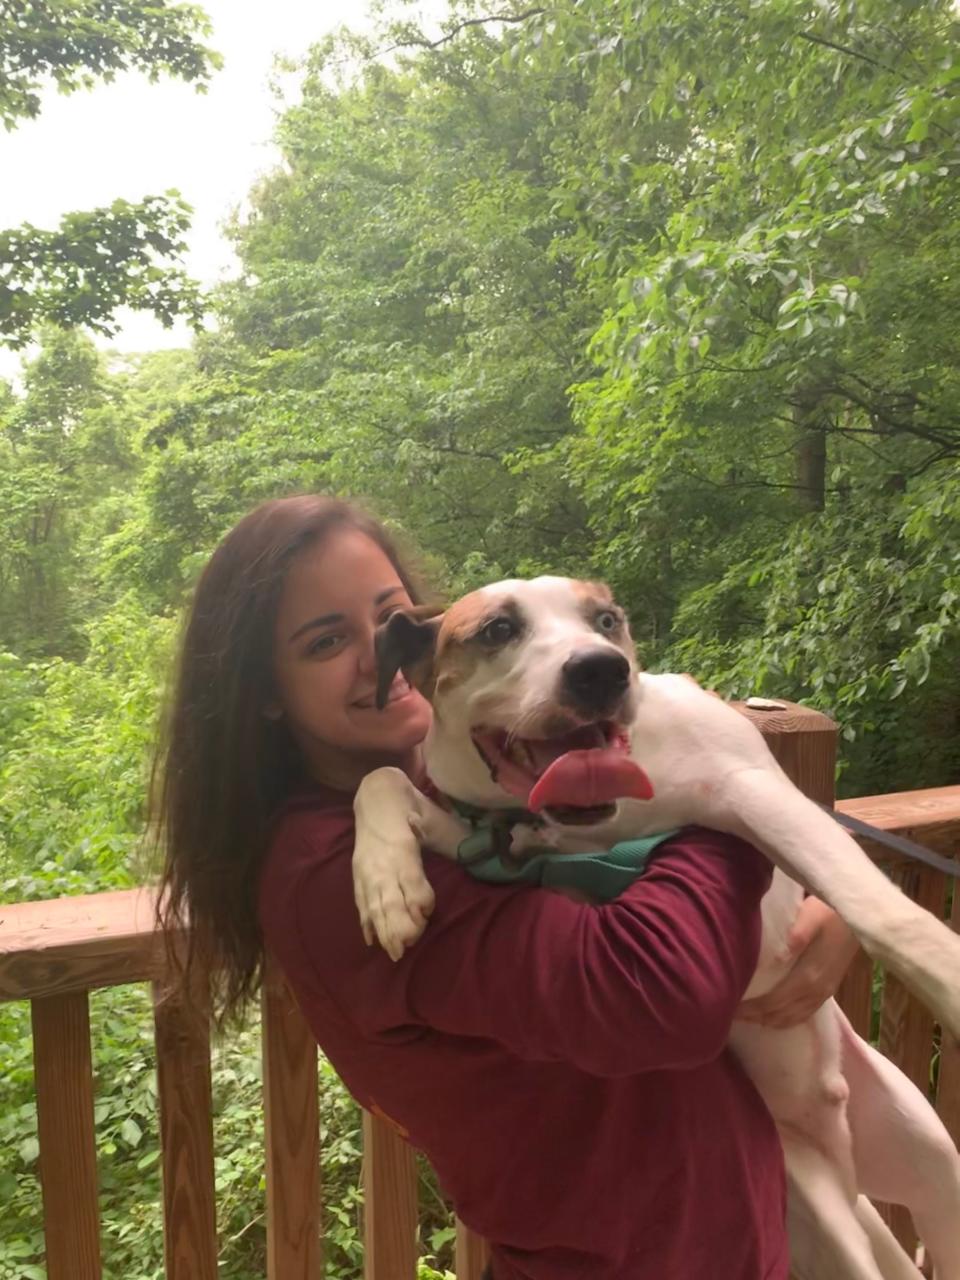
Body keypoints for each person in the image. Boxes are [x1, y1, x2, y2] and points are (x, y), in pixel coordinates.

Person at [156, 493, 857, 1280]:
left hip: (733, 1235)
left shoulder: (475, 781)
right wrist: (729, 801)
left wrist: (813, 901)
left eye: (389, 617)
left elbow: (628, 850)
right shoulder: (323, 867)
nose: (376, 658)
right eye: (324, 642)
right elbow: (654, 996)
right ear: (264, 693)